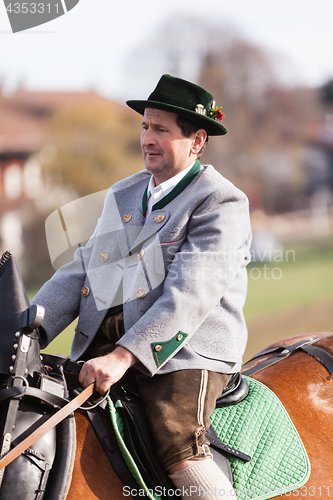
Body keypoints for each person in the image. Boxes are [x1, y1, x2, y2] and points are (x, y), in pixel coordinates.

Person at [32, 74, 251, 499]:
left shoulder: (220, 201)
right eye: (144, 127)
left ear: (197, 141)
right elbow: (83, 272)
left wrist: (123, 355)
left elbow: (191, 295)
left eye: (161, 130)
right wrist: (26, 329)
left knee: (177, 442)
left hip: (188, 353)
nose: (147, 138)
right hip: (105, 347)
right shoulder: (125, 194)